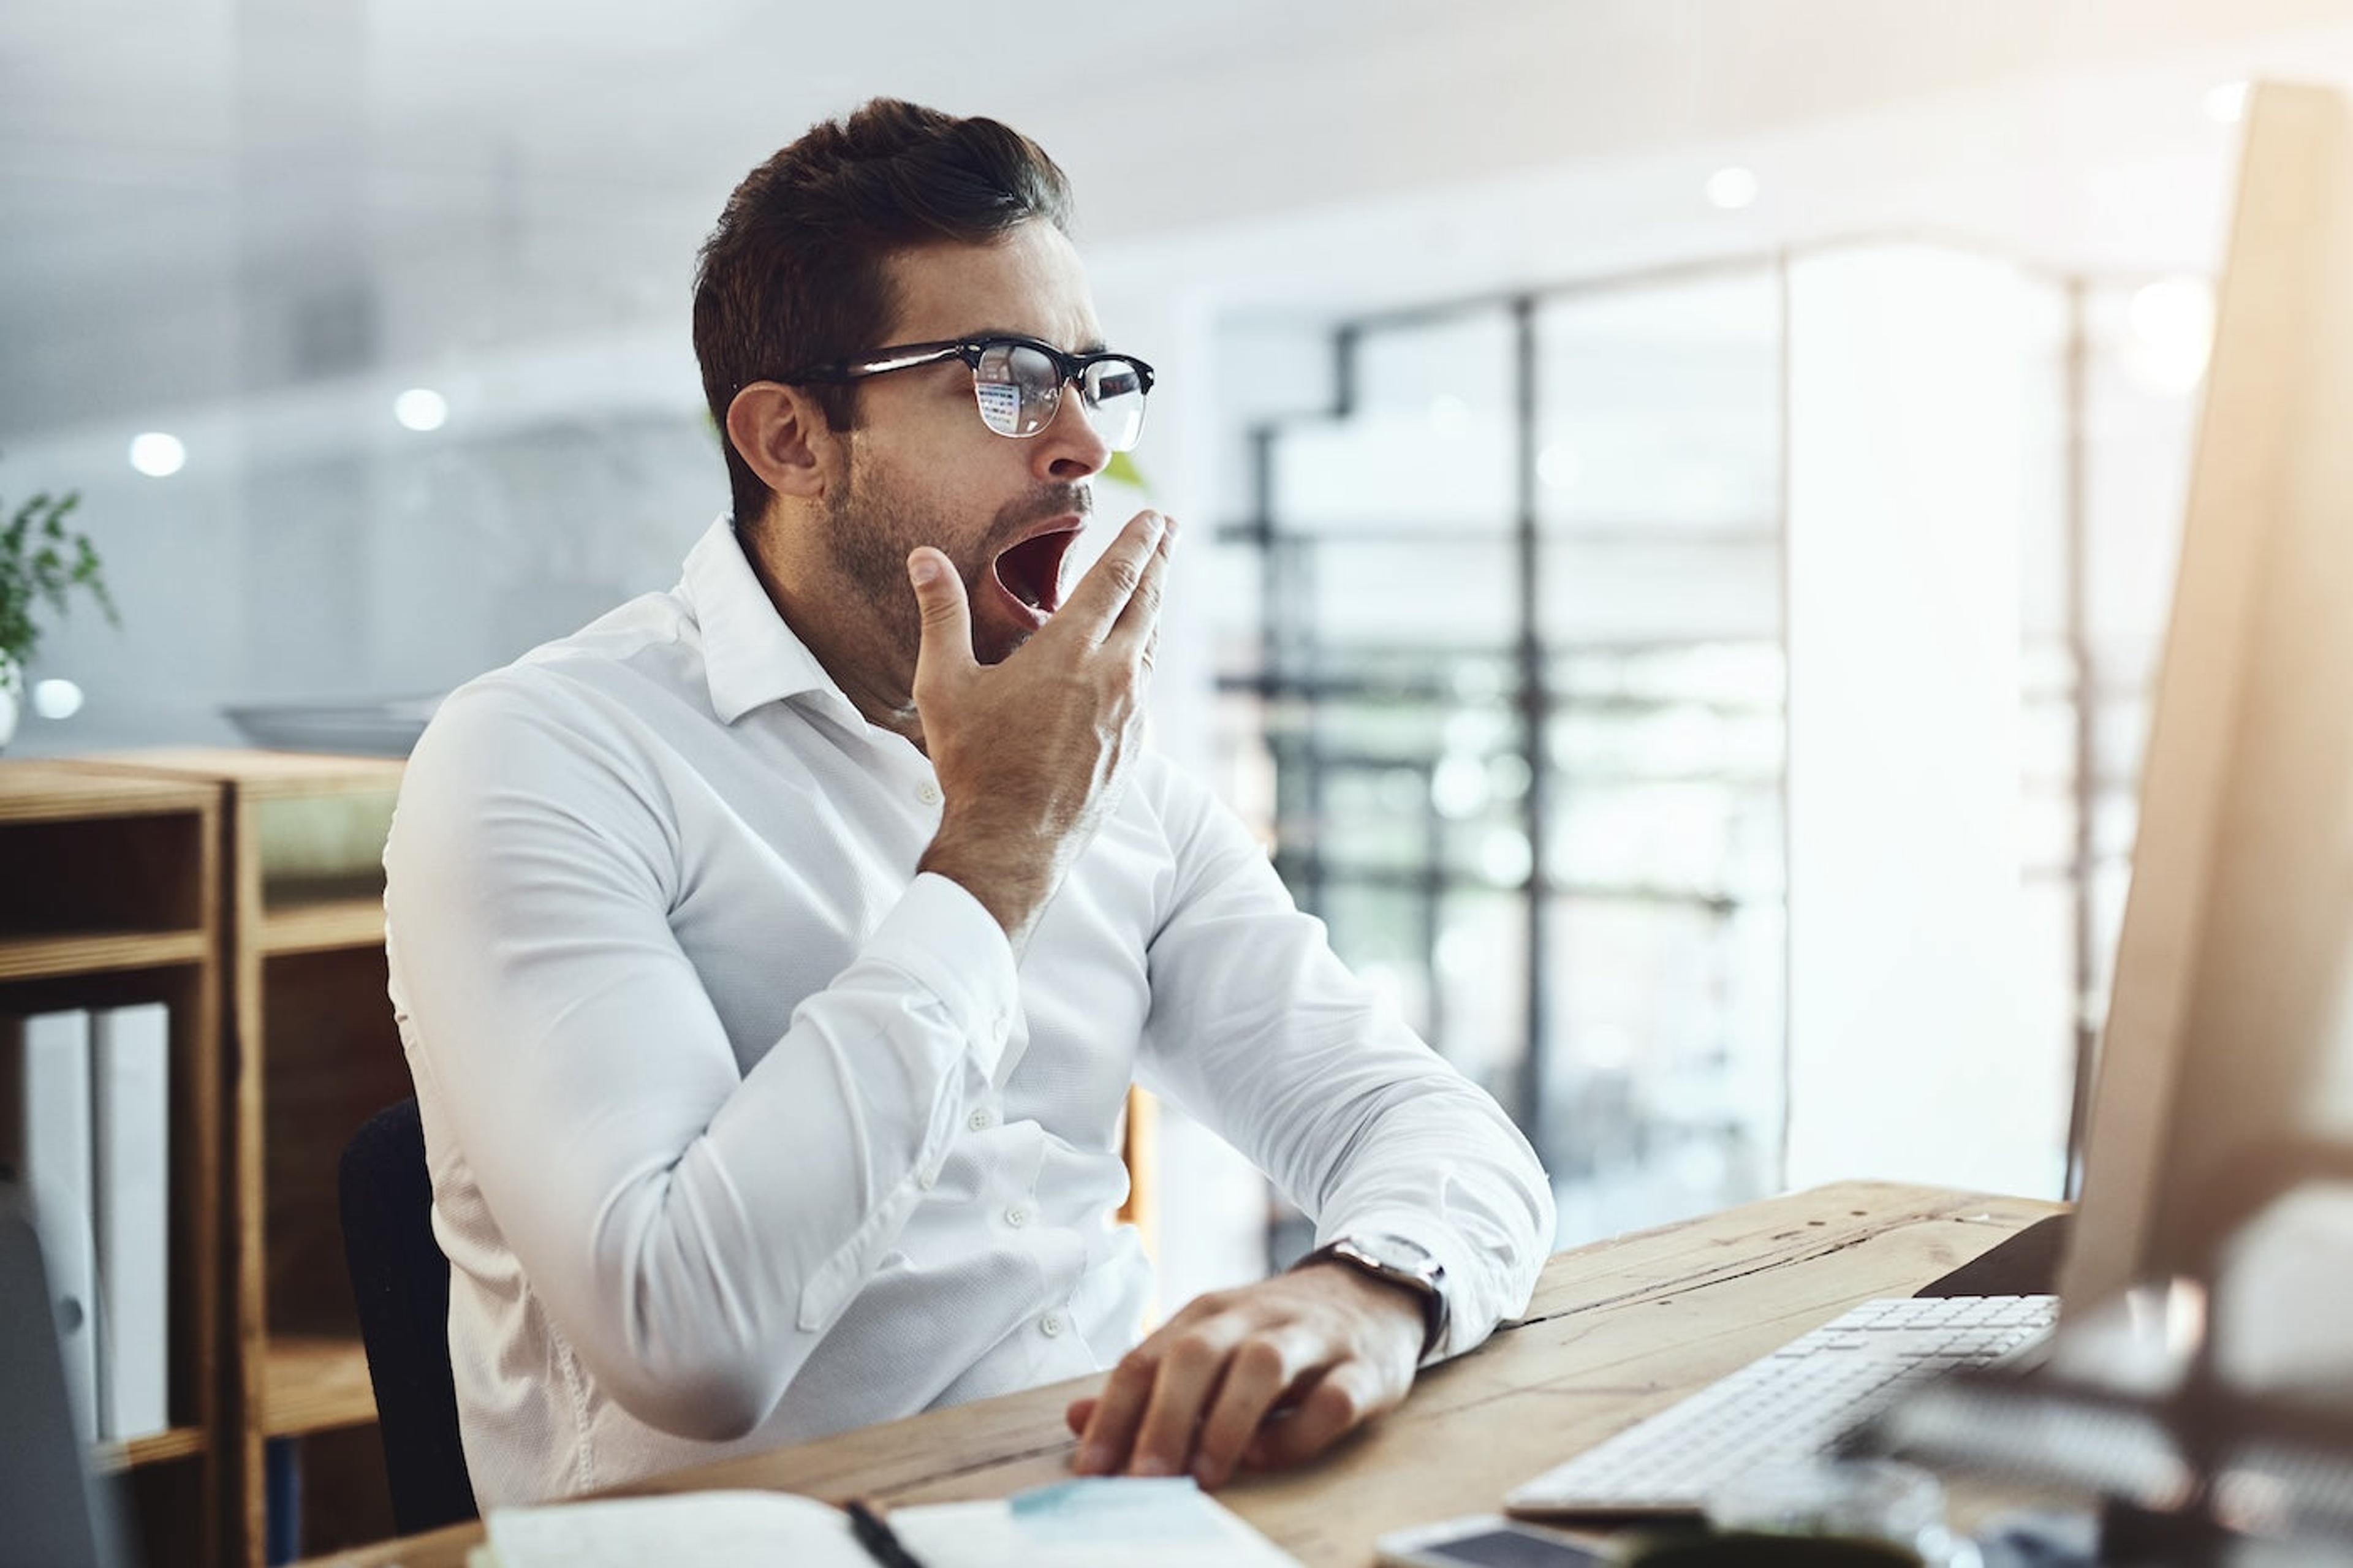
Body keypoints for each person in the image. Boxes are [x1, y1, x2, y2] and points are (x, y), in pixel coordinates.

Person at [384, 97, 1553, 1512]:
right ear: (791, 441)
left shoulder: (1112, 780)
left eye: (1089, 377)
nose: (1079, 444)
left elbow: (1431, 1131)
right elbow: (684, 1340)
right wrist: (992, 855)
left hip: (1121, 1521)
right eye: (1002, 377)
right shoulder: (546, 752)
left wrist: (1364, 1293)